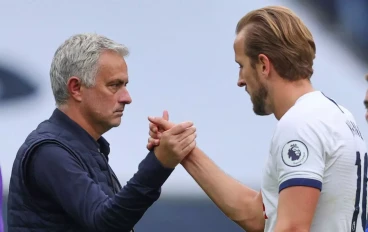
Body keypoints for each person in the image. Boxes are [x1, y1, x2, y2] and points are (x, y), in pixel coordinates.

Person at [147, 6, 368, 232]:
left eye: (241, 66)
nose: (240, 80)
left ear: (263, 65)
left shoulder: (300, 124)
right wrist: (185, 151)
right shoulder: (339, 116)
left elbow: (292, 227)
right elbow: (257, 215)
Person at [7, 33, 197, 232]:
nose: (127, 98)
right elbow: (105, 223)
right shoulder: (49, 152)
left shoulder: (83, 148)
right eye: (114, 85)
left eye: (125, 85)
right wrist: (159, 163)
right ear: (76, 88)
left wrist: (159, 159)